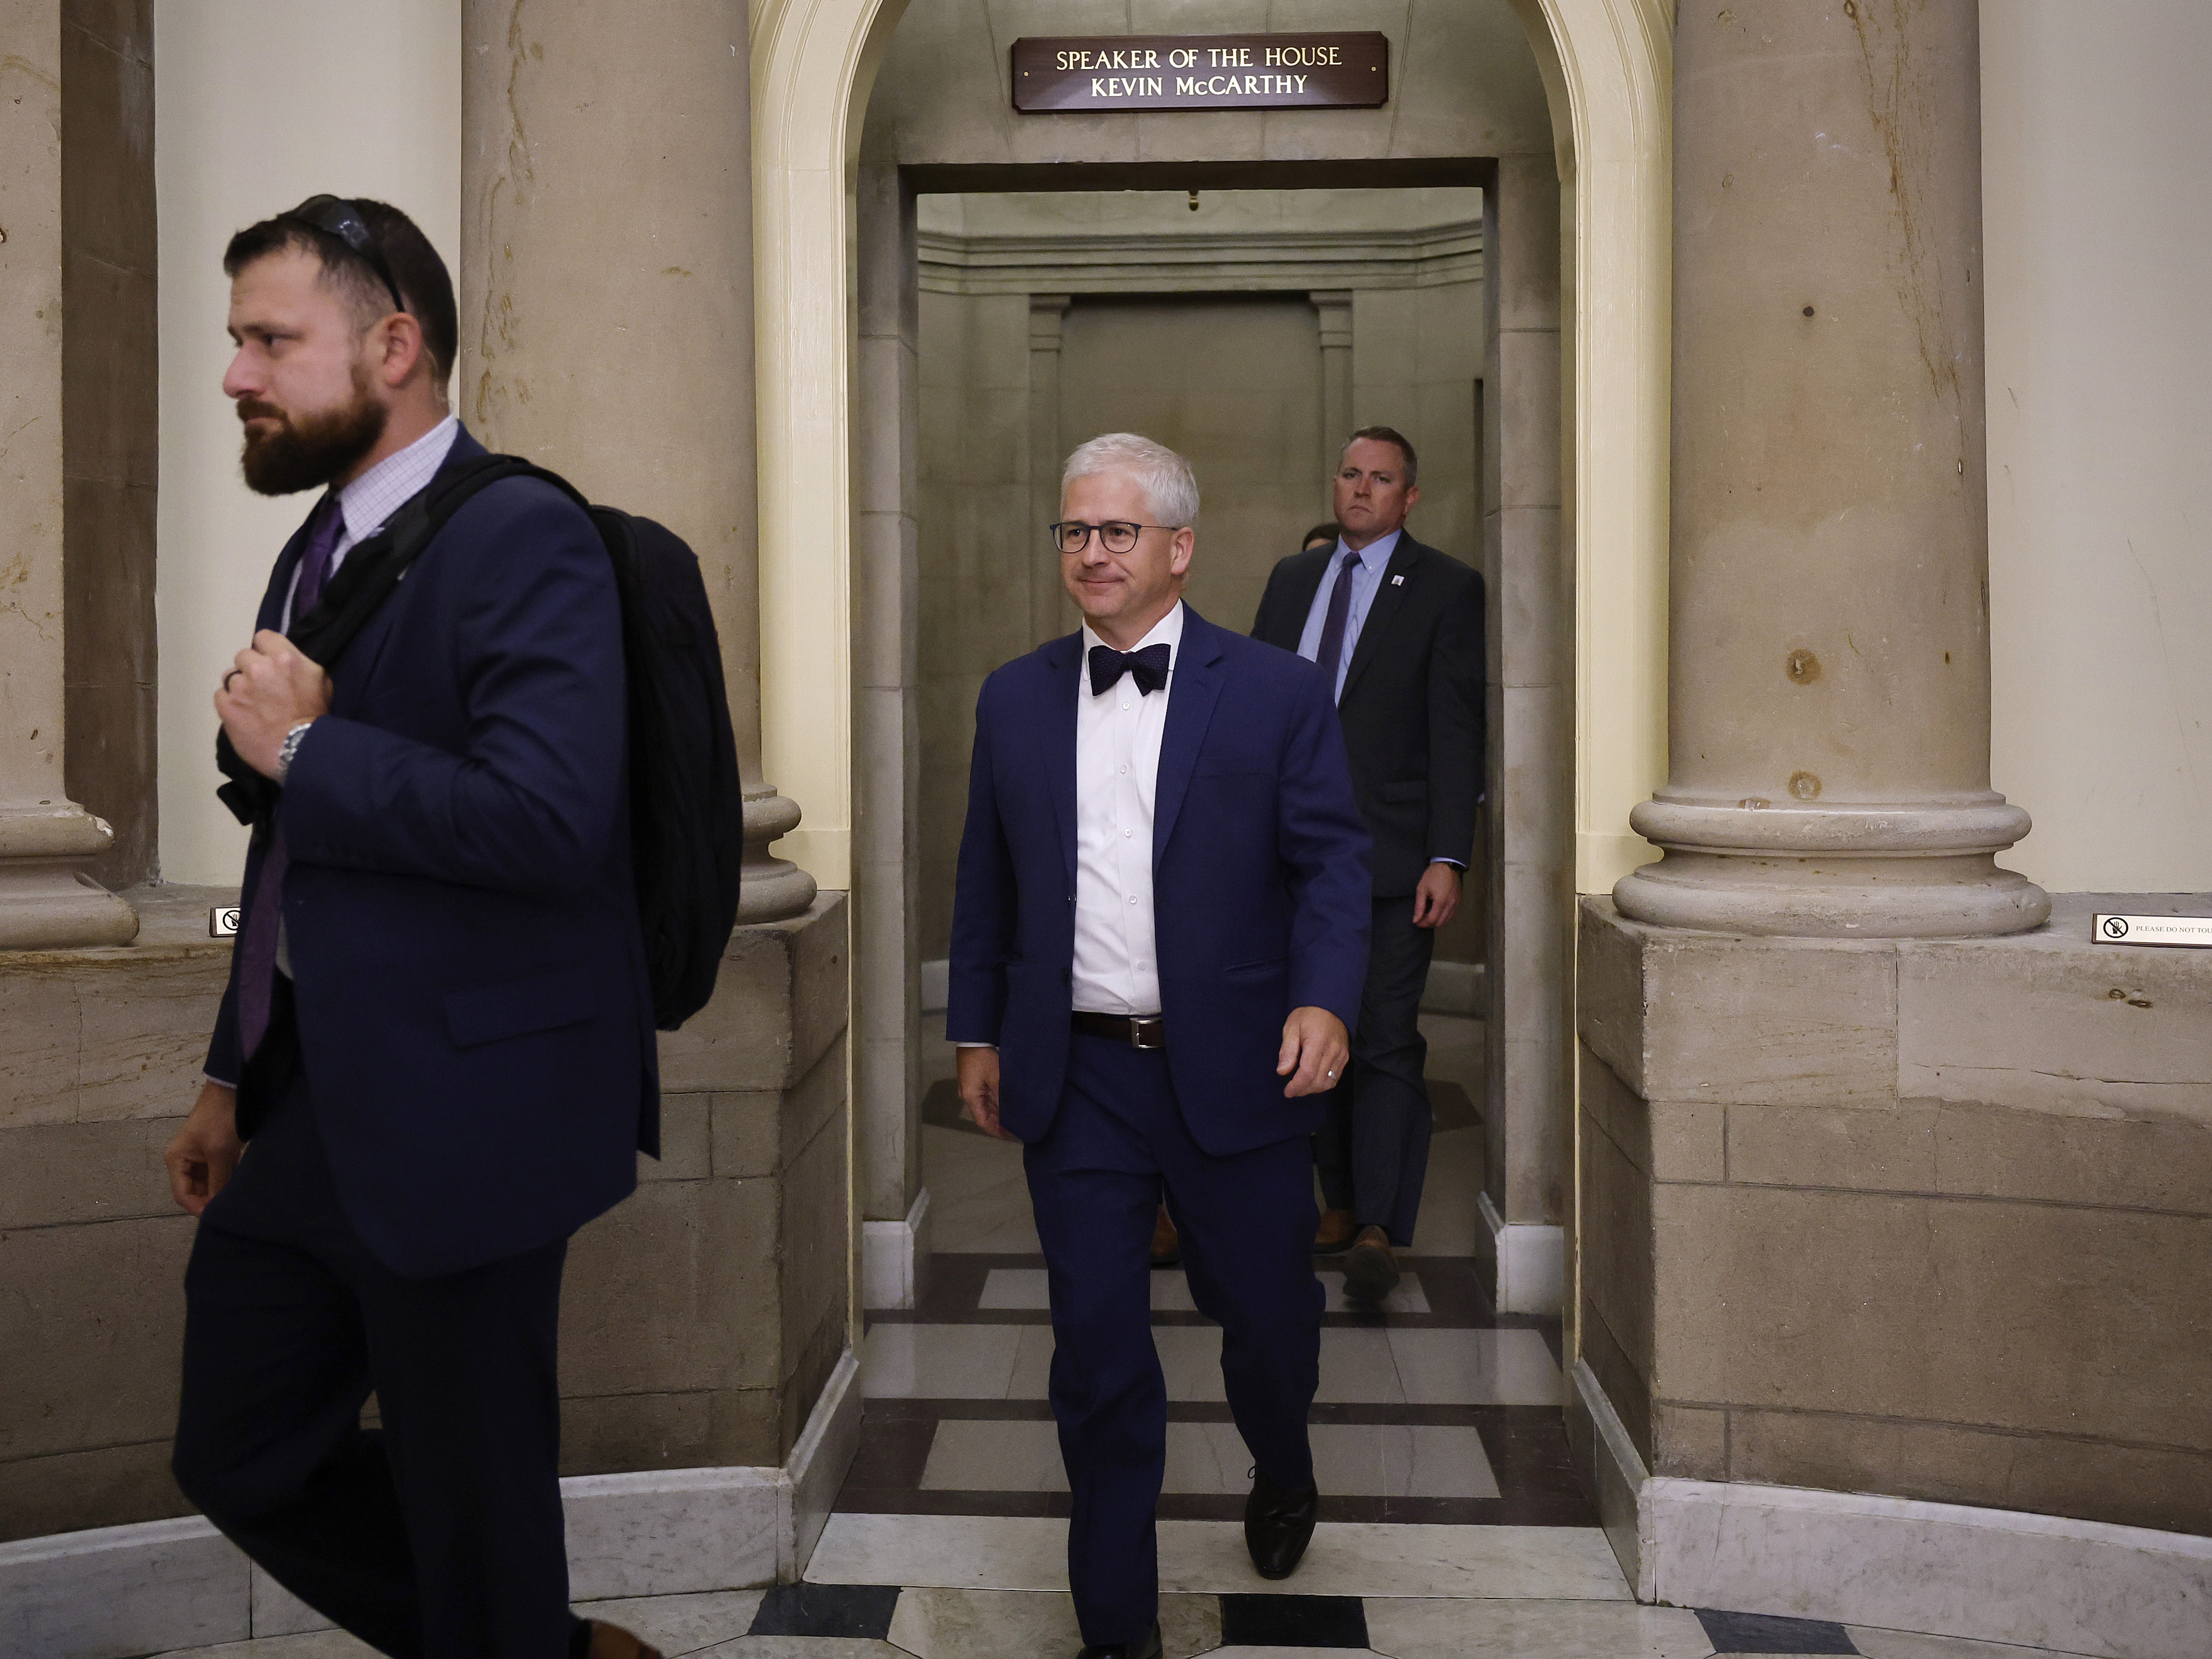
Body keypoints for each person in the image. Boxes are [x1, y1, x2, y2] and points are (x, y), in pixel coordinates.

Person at [160, 196, 663, 1659]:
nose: (238, 375)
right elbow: (286, 857)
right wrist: (226, 1070)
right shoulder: (316, 550)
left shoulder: (525, 536)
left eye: (271, 339)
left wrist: (315, 751)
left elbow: (550, 821)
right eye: (236, 341)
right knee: (234, 1447)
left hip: (476, 1106)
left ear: (395, 345)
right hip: (319, 1100)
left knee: (474, 1488)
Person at [949, 434, 1371, 1659]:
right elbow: (988, 878)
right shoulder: (1014, 694)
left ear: (1177, 549)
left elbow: (1334, 864)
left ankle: (1280, 1458)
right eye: (1074, 531)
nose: (1089, 551)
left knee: (1270, 1319)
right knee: (1097, 1345)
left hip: (1239, 1067)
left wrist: (1327, 999)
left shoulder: (1277, 692)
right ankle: (1118, 1628)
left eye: (1115, 531)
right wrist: (974, 1025)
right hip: (1077, 1075)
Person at [1250, 427, 1485, 1302]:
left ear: (1408, 498)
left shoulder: (1448, 589)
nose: (1361, 490)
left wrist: (1446, 854)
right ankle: (1337, 1205)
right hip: (1285, 860)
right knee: (1305, 1031)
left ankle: (1381, 1225)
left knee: (1384, 1037)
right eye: (1350, 474)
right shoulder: (1291, 579)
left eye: (1381, 479)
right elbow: (1247, 703)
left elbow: (1456, 730)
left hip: (1392, 862)